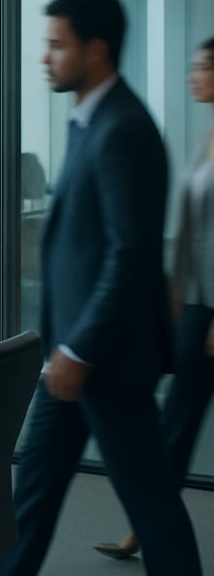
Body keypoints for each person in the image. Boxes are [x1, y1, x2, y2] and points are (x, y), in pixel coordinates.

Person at [0, 0, 201, 576]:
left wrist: (80, 348)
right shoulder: (92, 122)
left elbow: (129, 257)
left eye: (57, 45)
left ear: (96, 50)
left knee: (149, 498)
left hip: (101, 359)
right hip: (74, 359)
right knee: (33, 491)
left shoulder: (123, 128)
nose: (45, 58)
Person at [94, 36, 214, 561]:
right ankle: (145, 528)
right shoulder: (208, 137)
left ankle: (145, 529)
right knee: (179, 419)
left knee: (178, 419)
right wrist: (175, 290)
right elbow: (192, 229)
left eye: (202, 67)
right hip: (196, 301)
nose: (192, 75)